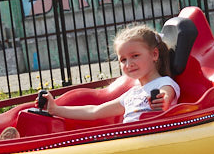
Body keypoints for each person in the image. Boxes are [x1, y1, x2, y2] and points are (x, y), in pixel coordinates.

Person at [45, 25, 180, 124]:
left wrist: (162, 100)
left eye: (135, 56)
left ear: (154, 54)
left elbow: (166, 96)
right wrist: (56, 109)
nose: (128, 64)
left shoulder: (164, 83)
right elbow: (94, 112)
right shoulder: (132, 94)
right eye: (123, 59)